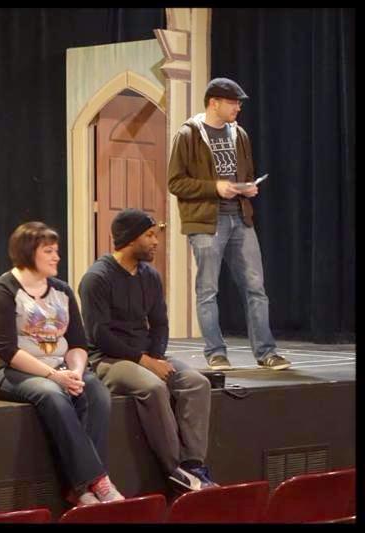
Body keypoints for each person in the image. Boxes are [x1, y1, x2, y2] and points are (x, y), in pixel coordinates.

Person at [0, 221, 124, 506]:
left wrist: (75, 373)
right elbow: (7, 351)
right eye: (49, 251)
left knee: (95, 391)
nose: (57, 257)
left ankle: (79, 488)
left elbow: (78, 343)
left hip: (58, 369)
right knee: (51, 393)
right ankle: (96, 481)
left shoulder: (62, 291)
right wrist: (54, 376)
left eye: (56, 250)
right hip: (3, 372)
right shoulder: (2, 292)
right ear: (28, 253)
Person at [78, 209, 217, 493]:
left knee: (196, 383)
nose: (156, 242)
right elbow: (99, 335)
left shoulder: (150, 276)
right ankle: (175, 470)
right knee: (153, 387)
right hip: (108, 359)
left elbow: (160, 324)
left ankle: (193, 465)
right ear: (130, 239)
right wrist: (145, 361)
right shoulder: (97, 278)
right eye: (150, 235)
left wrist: (155, 356)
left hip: (146, 356)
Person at [167, 77, 290, 371]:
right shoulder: (188, 134)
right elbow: (176, 182)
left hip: (240, 217)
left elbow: (244, 172)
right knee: (208, 290)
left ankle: (267, 352)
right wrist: (215, 187)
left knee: (256, 287)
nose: (238, 108)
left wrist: (247, 188)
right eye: (233, 103)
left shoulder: (239, 134)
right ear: (214, 103)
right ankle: (216, 353)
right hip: (206, 221)